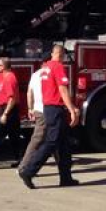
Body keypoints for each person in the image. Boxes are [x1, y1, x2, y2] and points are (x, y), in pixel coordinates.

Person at [18, 44, 79, 189]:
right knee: (51, 142)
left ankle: (66, 177)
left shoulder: (46, 68)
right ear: (62, 54)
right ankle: (29, 171)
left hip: (48, 107)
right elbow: (62, 89)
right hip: (55, 108)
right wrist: (71, 109)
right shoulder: (58, 67)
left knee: (63, 144)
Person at [17, 55, 54, 174]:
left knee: (55, 138)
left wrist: (30, 108)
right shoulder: (50, 72)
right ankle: (24, 167)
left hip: (38, 109)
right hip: (47, 110)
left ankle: (65, 168)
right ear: (47, 61)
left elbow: (29, 93)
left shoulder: (35, 74)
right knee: (38, 139)